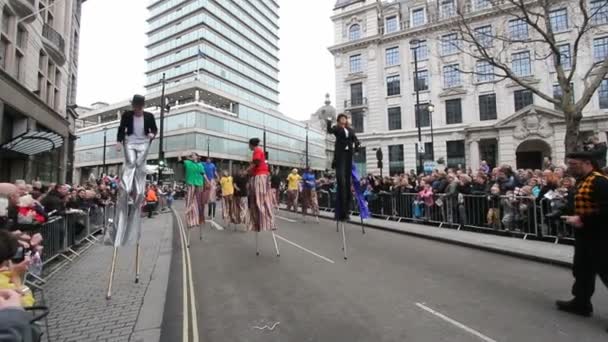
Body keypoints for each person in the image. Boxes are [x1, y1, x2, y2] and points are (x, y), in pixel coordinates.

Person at [557, 151, 608, 323]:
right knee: (582, 270)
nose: (570, 168)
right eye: (569, 164)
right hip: (584, 235)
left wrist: (582, 218)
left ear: (587, 163)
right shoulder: (581, 181)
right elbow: (577, 204)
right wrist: (563, 212)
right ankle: (581, 303)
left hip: (601, 235)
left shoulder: (600, 181)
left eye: (573, 164)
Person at [110, 94, 158, 246]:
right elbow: (121, 128)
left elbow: (155, 130)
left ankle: (138, 194)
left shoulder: (149, 116)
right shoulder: (127, 115)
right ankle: (125, 190)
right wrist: (118, 142)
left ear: (142, 106)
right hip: (130, 141)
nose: (136, 109)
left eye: (139, 107)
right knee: (131, 162)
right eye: (135, 107)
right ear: (133, 106)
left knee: (139, 165)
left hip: (144, 142)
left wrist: (152, 134)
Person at [327, 113, 360, 221]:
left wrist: (357, 145)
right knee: (341, 183)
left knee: (347, 185)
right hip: (340, 156)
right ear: (338, 120)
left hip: (348, 156)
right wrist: (328, 121)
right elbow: (329, 131)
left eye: (345, 118)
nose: (343, 120)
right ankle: (341, 212)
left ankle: (346, 213)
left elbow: (355, 139)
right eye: (341, 118)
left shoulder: (350, 130)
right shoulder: (337, 128)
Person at [246, 138, 274, 232]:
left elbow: (256, 162)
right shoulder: (258, 150)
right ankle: (261, 222)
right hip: (260, 176)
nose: (248, 146)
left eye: (249, 144)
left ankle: (266, 222)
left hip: (260, 176)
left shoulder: (257, 150)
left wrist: (247, 170)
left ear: (251, 144)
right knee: (259, 199)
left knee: (260, 200)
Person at [178, 152, 205, 229]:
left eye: (194, 155)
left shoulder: (200, 165)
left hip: (199, 184)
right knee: (189, 201)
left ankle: (196, 220)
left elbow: (203, 174)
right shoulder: (188, 162)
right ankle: (189, 220)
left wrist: (208, 182)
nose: (192, 156)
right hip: (190, 184)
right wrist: (180, 153)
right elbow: (180, 160)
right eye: (191, 155)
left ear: (197, 157)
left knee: (197, 202)